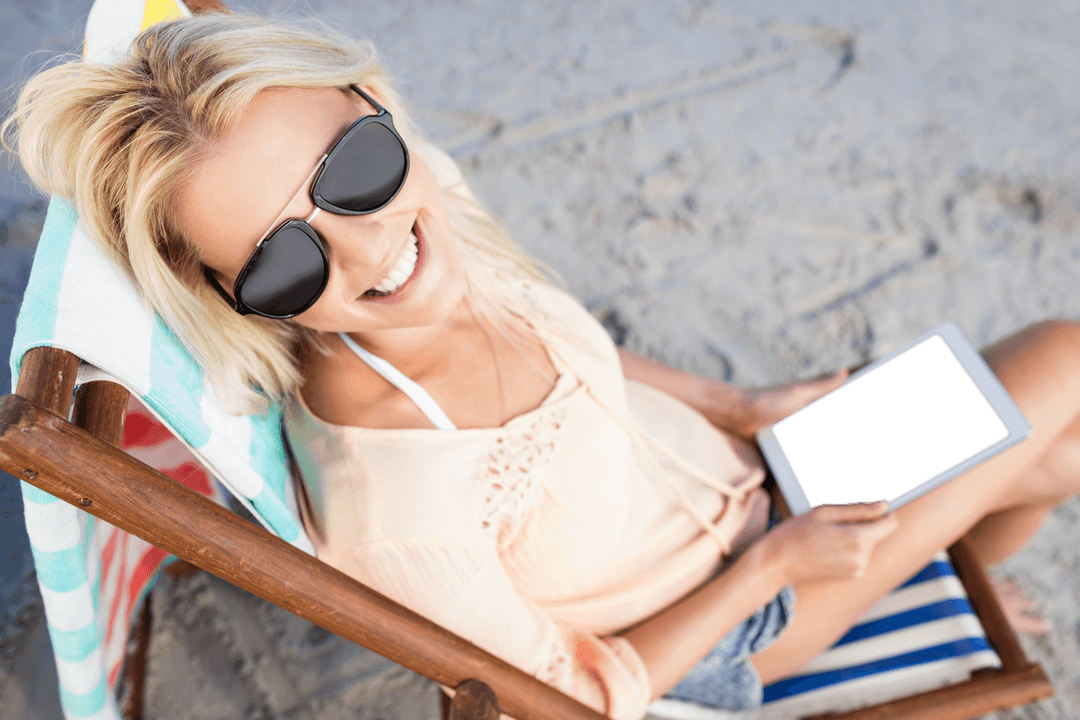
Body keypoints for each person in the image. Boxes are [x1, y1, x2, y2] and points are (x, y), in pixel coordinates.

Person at [4, 12, 1079, 720]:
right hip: (730, 608)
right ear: (230, 296)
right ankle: (967, 561)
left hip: (746, 468)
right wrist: (775, 568)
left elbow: (573, 349)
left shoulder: (435, 216)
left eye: (357, 168)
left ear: (374, 104)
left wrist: (737, 402)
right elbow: (571, 695)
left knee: (1049, 445)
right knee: (1065, 380)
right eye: (286, 263)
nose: (370, 246)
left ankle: (977, 552)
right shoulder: (398, 497)